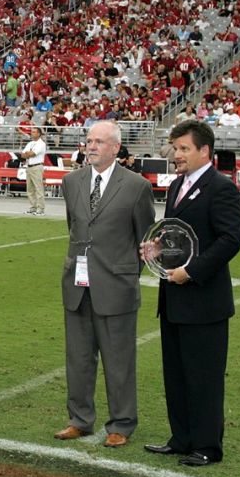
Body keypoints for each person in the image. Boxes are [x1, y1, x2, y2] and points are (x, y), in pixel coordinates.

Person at [141, 120, 240, 467]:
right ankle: (181, 438)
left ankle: (207, 446)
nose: (176, 154)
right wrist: (158, 249)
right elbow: (178, 236)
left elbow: (231, 239)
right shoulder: (176, 188)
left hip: (204, 300)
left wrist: (193, 271)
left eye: (184, 148)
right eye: (175, 147)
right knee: (176, 373)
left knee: (204, 376)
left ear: (205, 151)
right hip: (173, 298)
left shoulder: (221, 188)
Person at [56, 121, 156, 447]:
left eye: (99, 141)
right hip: (77, 284)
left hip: (116, 287)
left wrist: (125, 273)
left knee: (119, 362)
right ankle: (80, 420)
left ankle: (121, 424)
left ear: (115, 147)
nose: (92, 146)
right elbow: (76, 228)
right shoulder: (72, 182)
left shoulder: (136, 186)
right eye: (88, 140)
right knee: (79, 359)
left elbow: (144, 238)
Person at [20, 126, 47, 215]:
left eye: (34, 132)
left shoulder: (41, 144)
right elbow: (23, 155)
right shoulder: (30, 143)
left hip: (37, 166)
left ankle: (40, 209)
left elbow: (32, 154)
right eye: (32, 132)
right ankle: (33, 207)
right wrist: (28, 153)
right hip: (29, 166)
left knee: (38, 188)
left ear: (39, 134)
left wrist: (28, 153)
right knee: (30, 189)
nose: (32, 133)